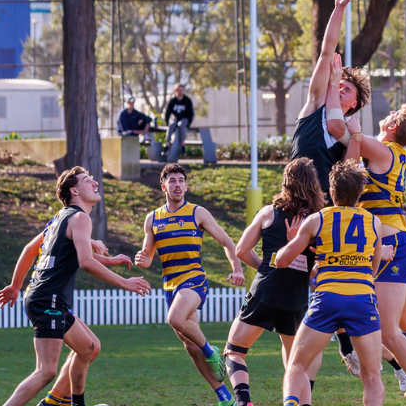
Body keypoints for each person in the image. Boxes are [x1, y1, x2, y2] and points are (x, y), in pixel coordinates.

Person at [0, 167, 151, 406]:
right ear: (74, 191)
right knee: (46, 371)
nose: (95, 183)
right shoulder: (80, 218)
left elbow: (31, 250)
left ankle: (60, 402)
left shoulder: (60, 218)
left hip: (46, 298)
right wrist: (124, 282)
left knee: (89, 347)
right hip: (48, 300)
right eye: (88, 181)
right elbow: (85, 261)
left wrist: (16, 287)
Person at [335, 101, 406, 405]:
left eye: (392, 114)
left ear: (394, 125)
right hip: (397, 240)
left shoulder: (383, 150)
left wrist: (354, 131)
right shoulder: (395, 151)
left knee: (387, 331)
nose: (387, 114)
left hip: (391, 245)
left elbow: (341, 134)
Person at [288, 0, 370, 375]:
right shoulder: (313, 106)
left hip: (322, 211)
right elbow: (326, 51)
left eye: (347, 87)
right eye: (340, 81)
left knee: (323, 277)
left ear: (354, 102)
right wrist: (338, 7)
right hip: (291, 202)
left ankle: (345, 343)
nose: (340, 85)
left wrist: (356, 138)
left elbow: (350, 174)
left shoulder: (347, 132)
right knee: (286, 275)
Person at [134, 163, 246, 406]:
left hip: (194, 278)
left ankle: (211, 352)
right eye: (172, 181)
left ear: (186, 186)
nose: (178, 185)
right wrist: (142, 260)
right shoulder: (152, 218)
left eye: (181, 181)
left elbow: (227, 241)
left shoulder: (198, 213)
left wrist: (237, 269)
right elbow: (148, 256)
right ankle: (224, 397)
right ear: (163, 186)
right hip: (170, 285)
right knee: (190, 346)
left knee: (175, 319)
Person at [276, 161, 385, 406]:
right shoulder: (374, 222)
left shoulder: (317, 219)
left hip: (327, 298)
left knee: (296, 365)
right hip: (362, 299)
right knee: (372, 377)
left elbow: (282, 261)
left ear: (331, 191)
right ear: (360, 193)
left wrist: (291, 242)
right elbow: (373, 269)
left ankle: (290, 403)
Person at [225, 158, 325, 406]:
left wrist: (265, 267)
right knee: (297, 365)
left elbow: (241, 250)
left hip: (265, 292)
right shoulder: (319, 220)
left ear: (286, 182)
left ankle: (243, 401)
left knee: (234, 351)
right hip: (295, 298)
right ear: (314, 184)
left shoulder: (269, 212)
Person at [164, 84, 195, 151]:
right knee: (171, 124)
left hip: (184, 118)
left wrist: (189, 123)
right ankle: (167, 144)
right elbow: (167, 112)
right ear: (176, 91)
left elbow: (191, 113)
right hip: (175, 118)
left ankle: (182, 145)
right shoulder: (172, 100)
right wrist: (167, 121)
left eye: (181, 90)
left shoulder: (187, 100)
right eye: (179, 90)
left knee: (181, 125)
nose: (180, 91)